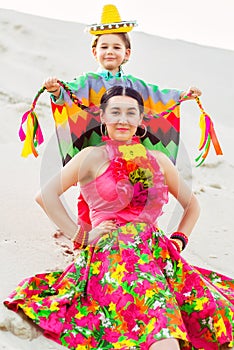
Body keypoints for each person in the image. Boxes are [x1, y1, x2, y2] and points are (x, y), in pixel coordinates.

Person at [3, 86, 233, 350]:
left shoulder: (159, 160)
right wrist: (82, 235)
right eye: (115, 112)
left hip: (159, 253)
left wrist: (179, 239)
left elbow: (192, 205)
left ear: (140, 119)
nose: (122, 119)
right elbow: (45, 196)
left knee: (210, 313)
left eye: (130, 113)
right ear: (102, 117)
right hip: (113, 251)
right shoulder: (91, 156)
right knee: (161, 325)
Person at [41, 4, 202, 233]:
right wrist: (57, 92)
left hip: (128, 146)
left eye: (116, 47)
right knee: (93, 190)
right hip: (97, 146)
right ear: (94, 51)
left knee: (131, 186)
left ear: (127, 54)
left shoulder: (135, 85)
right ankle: (84, 233)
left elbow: (157, 95)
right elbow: (69, 95)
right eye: (104, 46)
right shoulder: (87, 81)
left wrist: (181, 96)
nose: (110, 51)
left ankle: (138, 224)